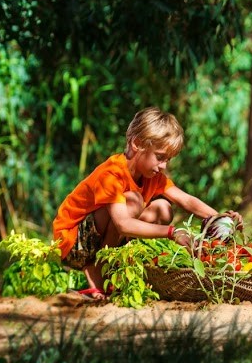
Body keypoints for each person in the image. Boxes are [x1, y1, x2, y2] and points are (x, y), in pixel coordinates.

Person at [52, 107, 241, 300]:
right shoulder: (112, 174)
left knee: (163, 209)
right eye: (160, 157)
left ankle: (115, 269)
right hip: (74, 244)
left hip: (99, 239)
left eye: (168, 160)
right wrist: (171, 233)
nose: (164, 166)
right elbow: (123, 224)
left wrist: (221, 219)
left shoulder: (152, 177)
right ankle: (98, 274)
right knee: (133, 200)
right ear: (137, 144)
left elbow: (186, 200)